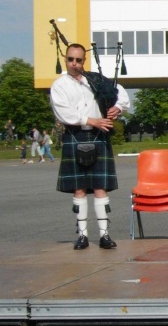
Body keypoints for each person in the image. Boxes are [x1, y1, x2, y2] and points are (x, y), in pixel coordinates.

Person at [50, 43, 130, 249]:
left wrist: (117, 108)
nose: (74, 64)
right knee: (79, 190)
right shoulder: (60, 85)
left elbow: (120, 91)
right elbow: (63, 113)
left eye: (78, 60)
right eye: (70, 59)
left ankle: (104, 235)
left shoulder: (94, 80)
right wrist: (91, 120)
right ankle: (82, 236)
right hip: (75, 136)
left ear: (84, 61)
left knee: (101, 188)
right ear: (65, 59)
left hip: (99, 136)